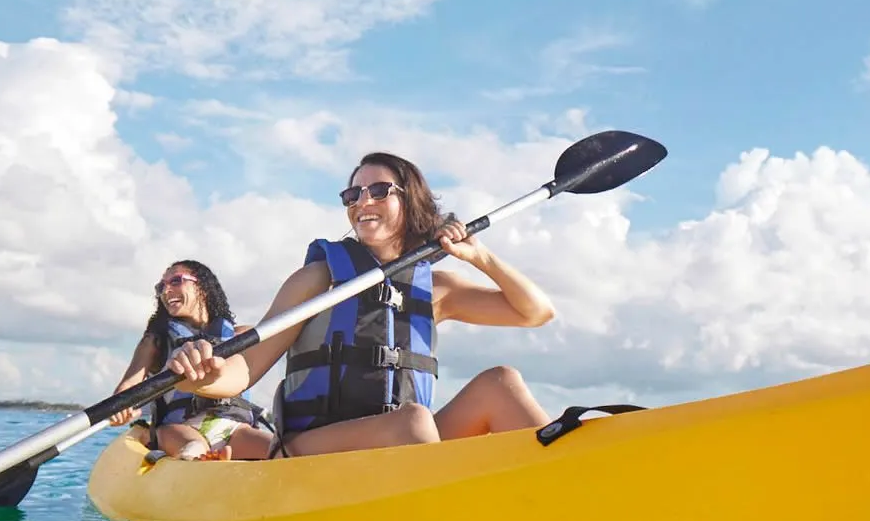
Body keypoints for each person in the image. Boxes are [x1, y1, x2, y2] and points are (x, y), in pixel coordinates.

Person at [163, 151, 556, 458]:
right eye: (353, 194)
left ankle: (569, 488)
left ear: (412, 202)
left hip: (406, 442)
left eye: (379, 190)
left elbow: (536, 312)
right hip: (314, 448)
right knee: (413, 423)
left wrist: (481, 258)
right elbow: (245, 369)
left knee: (500, 384)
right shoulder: (320, 279)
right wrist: (202, 375)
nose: (362, 201)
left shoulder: (437, 290)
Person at [108, 260, 277, 461]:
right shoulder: (155, 341)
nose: (166, 291)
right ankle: (204, 464)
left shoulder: (243, 335)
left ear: (202, 288)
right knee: (193, 446)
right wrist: (120, 407)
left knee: (278, 448)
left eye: (176, 281)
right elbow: (128, 385)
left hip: (233, 426)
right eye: (161, 287)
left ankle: (220, 460)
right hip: (178, 428)